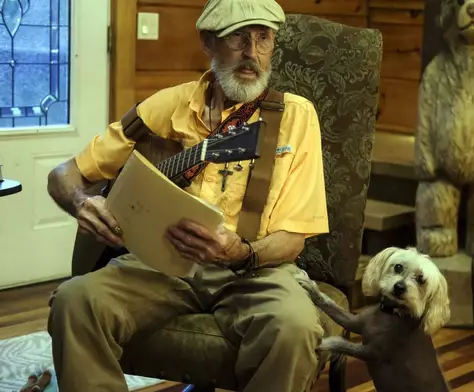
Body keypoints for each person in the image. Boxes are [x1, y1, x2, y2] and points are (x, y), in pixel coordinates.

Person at [44, 0, 329, 390]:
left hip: (255, 270)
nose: (252, 53)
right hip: (159, 265)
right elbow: (63, 174)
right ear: (208, 42)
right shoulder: (168, 105)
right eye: (238, 38)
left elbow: (293, 240)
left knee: (294, 326)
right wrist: (81, 202)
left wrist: (238, 252)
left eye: (263, 39)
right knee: (75, 300)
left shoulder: (296, 117)